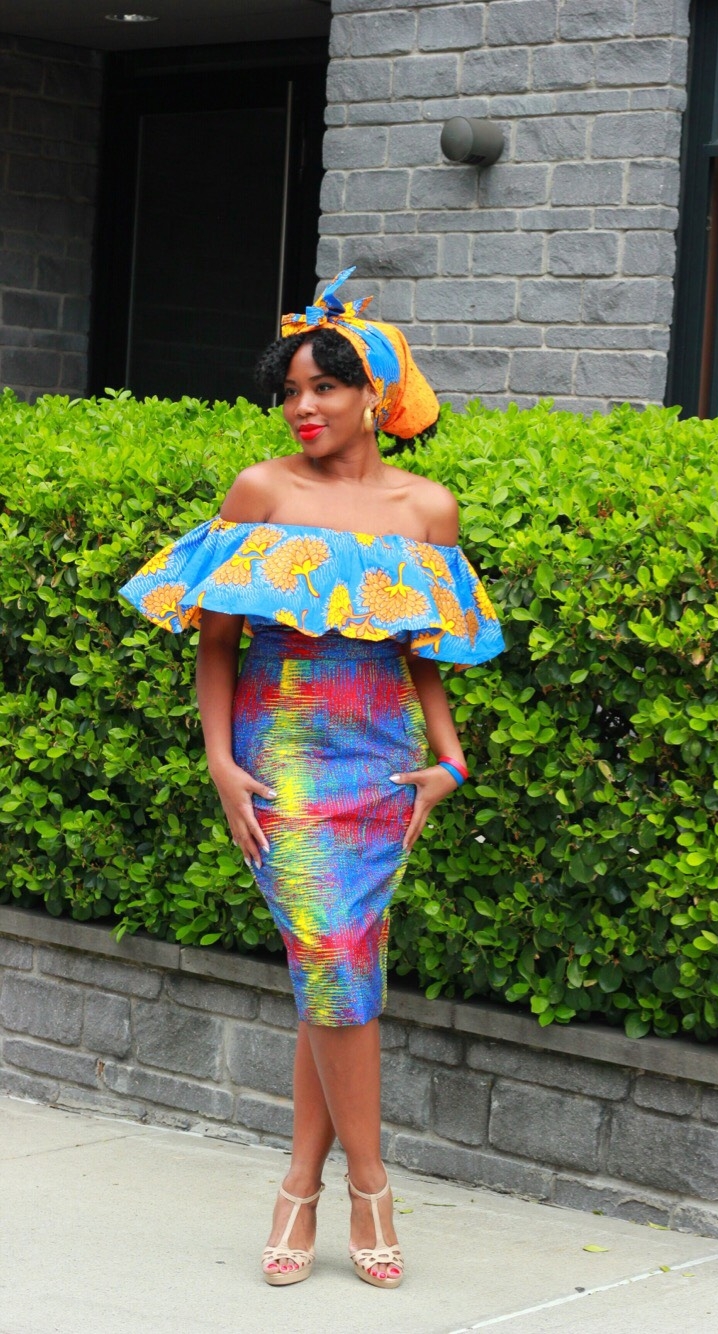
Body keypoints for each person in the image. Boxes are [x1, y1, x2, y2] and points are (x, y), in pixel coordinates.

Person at [120, 268, 504, 1290]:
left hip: (381, 753)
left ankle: (299, 1184)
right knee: (333, 949)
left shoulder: (428, 508)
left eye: (324, 386)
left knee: (334, 970)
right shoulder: (263, 491)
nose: (303, 406)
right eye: (290, 390)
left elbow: (425, 648)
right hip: (280, 749)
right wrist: (221, 762)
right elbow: (216, 639)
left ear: (374, 393)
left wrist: (449, 756)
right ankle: (370, 1184)